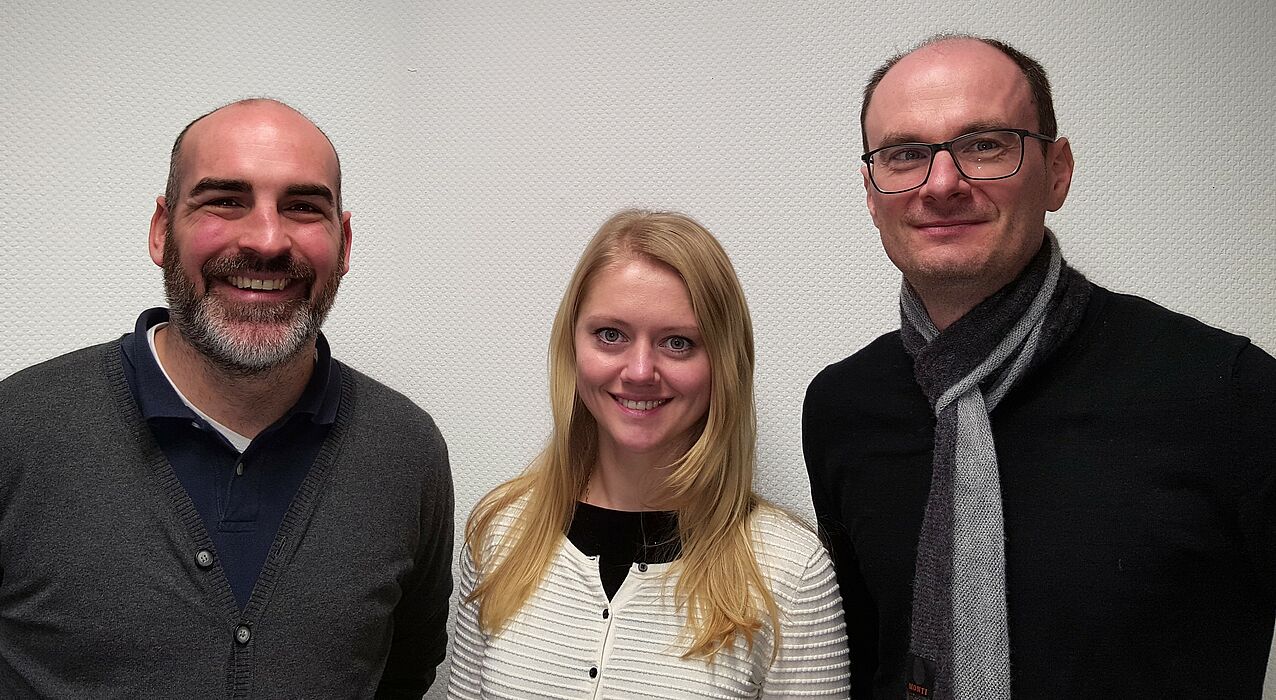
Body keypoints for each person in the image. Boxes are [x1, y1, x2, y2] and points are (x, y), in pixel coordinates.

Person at [804, 35, 1276, 699]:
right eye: (906, 154)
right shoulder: (842, 407)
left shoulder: (1228, 394)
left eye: (984, 144)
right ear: (871, 191)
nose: (942, 183)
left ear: (1057, 171)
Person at [0, 99, 453, 698]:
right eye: (224, 201)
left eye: (302, 207)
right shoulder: (19, 429)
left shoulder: (406, 452)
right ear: (163, 230)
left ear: (343, 243)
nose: (267, 240)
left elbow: (405, 672)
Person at [448, 210, 850, 698]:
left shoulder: (790, 571)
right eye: (610, 335)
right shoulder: (499, 535)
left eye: (677, 343)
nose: (639, 370)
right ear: (571, 346)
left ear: (723, 363)